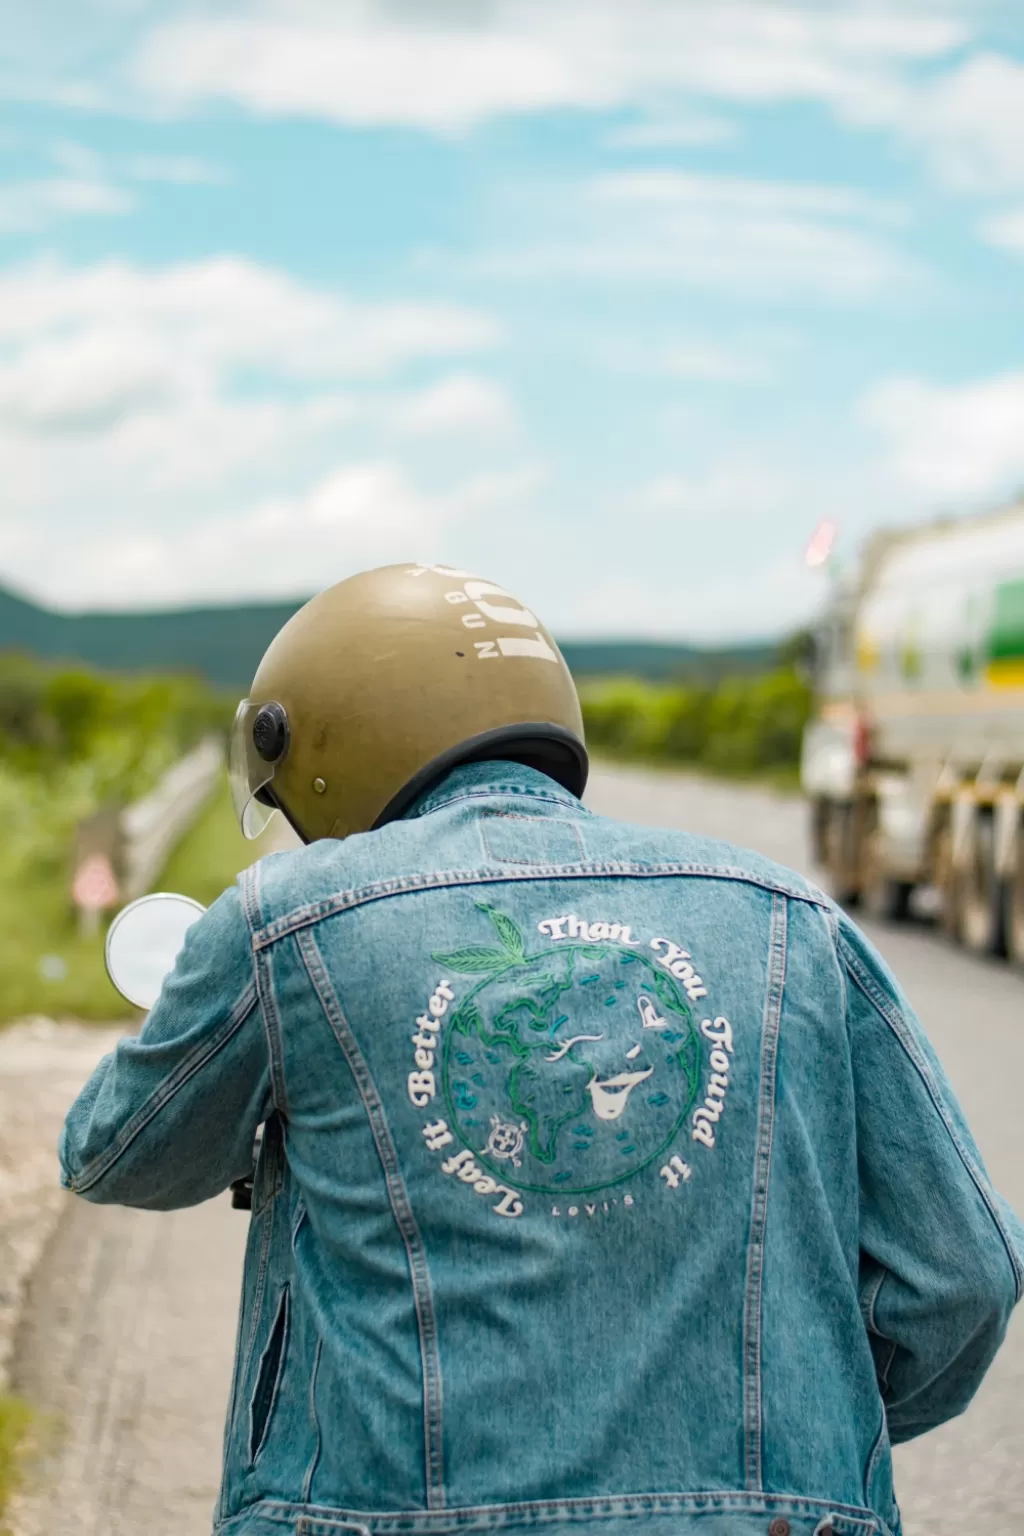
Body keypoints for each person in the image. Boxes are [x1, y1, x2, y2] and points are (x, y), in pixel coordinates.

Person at [60, 562, 1023, 1536]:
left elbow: (113, 1153)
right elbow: (965, 1272)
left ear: (314, 741)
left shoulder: (287, 924)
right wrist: (809, 1430)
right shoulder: (789, 917)